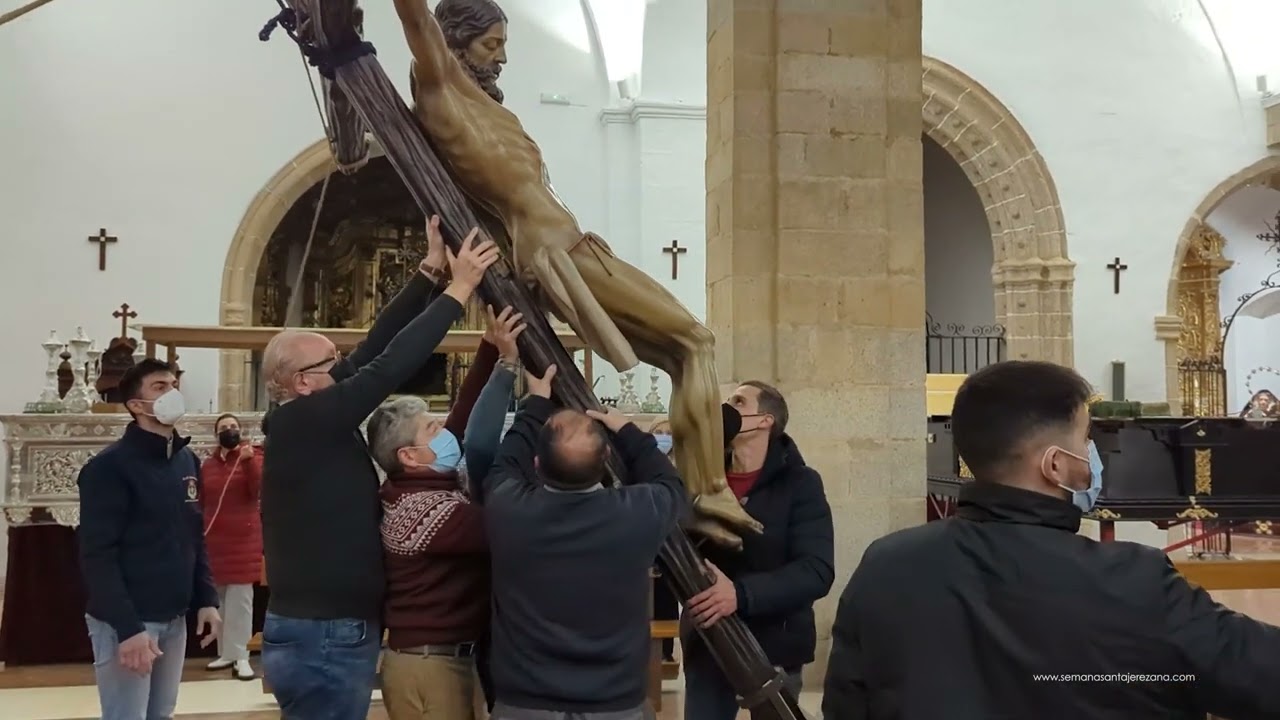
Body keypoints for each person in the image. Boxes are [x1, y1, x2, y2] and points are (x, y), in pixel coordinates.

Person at [391, 0, 757, 539]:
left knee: (687, 352)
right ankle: (706, 491)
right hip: (557, 252)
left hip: (571, 245)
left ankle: (701, 490)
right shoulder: (440, 85)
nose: (502, 58)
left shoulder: (482, 107)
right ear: (454, 42)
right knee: (695, 342)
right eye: (492, 44)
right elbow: (415, 17)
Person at [823, 360, 1280, 720]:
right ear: (1055, 465)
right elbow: (1260, 676)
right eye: (1087, 438)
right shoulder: (1134, 581)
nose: (1095, 455)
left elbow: (846, 705)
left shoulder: (885, 566)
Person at [258, 219, 498, 720]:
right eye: (330, 362)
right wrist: (461, 289)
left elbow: (372, 349)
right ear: (302, 382)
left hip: (325, 626)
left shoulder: (308, 414)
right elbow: (387, 367)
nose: (342, 365)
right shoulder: (308, 420)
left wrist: (430, 272)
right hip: (325, 632)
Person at [480, 364, 687, 719]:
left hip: (527, 702)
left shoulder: (508, 510)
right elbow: (671, 484)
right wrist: (628, 432)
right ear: (606, 459)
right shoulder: (638, 513)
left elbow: (505, 464)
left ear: (537, 463)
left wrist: (535, 405)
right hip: (614, 701)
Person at [370, 304, 524, 720]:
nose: (445, 432)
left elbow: (462, 413)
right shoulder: (426, 511)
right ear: (410, 455)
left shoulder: (417, 482)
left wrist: (491, 348)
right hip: (429, 664)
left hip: (442, 656)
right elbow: (513, 526)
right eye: (432, 430)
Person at [77, 358, 222, 720]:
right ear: (136, 405)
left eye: (174, 384)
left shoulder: (186, 460)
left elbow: (194, 534)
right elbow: (98, 555)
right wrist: (128, 629)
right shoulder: (108, 468)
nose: (172, 393)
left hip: (174, 617)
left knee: (162, 714)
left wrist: (206, 598)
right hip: (129, 622)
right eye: (160, 387)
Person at [681, 381, 835, 719]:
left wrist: (740, 594)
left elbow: (816, 570)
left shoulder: (801, 483)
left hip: (775, 644)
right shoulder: (703, 478)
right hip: (709, 643)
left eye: (738, 401)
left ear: (765, 420)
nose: (727, 409)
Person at [199, 412, 263, 681]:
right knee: (221, 599)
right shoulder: (208, 465)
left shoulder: (253, 457)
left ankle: (241, 657)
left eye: (234, 426)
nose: (229, 430)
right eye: (224, 427)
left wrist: (248, 463)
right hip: (214, 540)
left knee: (241, 601)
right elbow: (202, 499)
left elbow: (258, 489)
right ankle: (225, 653)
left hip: (243, 540)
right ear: (217, 434)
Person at [647, 419, 679, 664]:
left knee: (666, 597)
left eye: (669, 433)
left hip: (672, 544)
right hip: (647, 539)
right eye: (659, 433)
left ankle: (666, 652)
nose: (664, 437)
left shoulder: (682, 467)